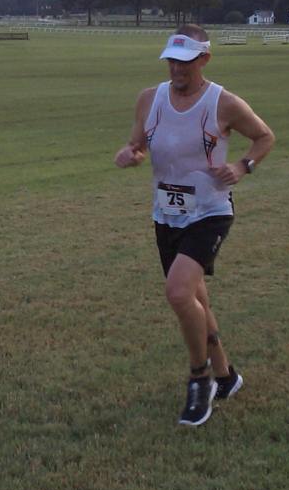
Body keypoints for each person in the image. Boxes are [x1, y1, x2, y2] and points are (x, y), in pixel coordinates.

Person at [115, 24, 275, 426]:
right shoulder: (149, 99)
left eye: (185, 61)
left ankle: (199, 379)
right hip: (166, 214)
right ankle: (226, 376)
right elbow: (137, 144)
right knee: (195, 298)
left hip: (209, 212)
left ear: (204, 59)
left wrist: (243, 166)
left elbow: (264, 136)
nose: (177, 68)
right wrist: (130, 154)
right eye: (171, 60)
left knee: (178, 292)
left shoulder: (224, 103)